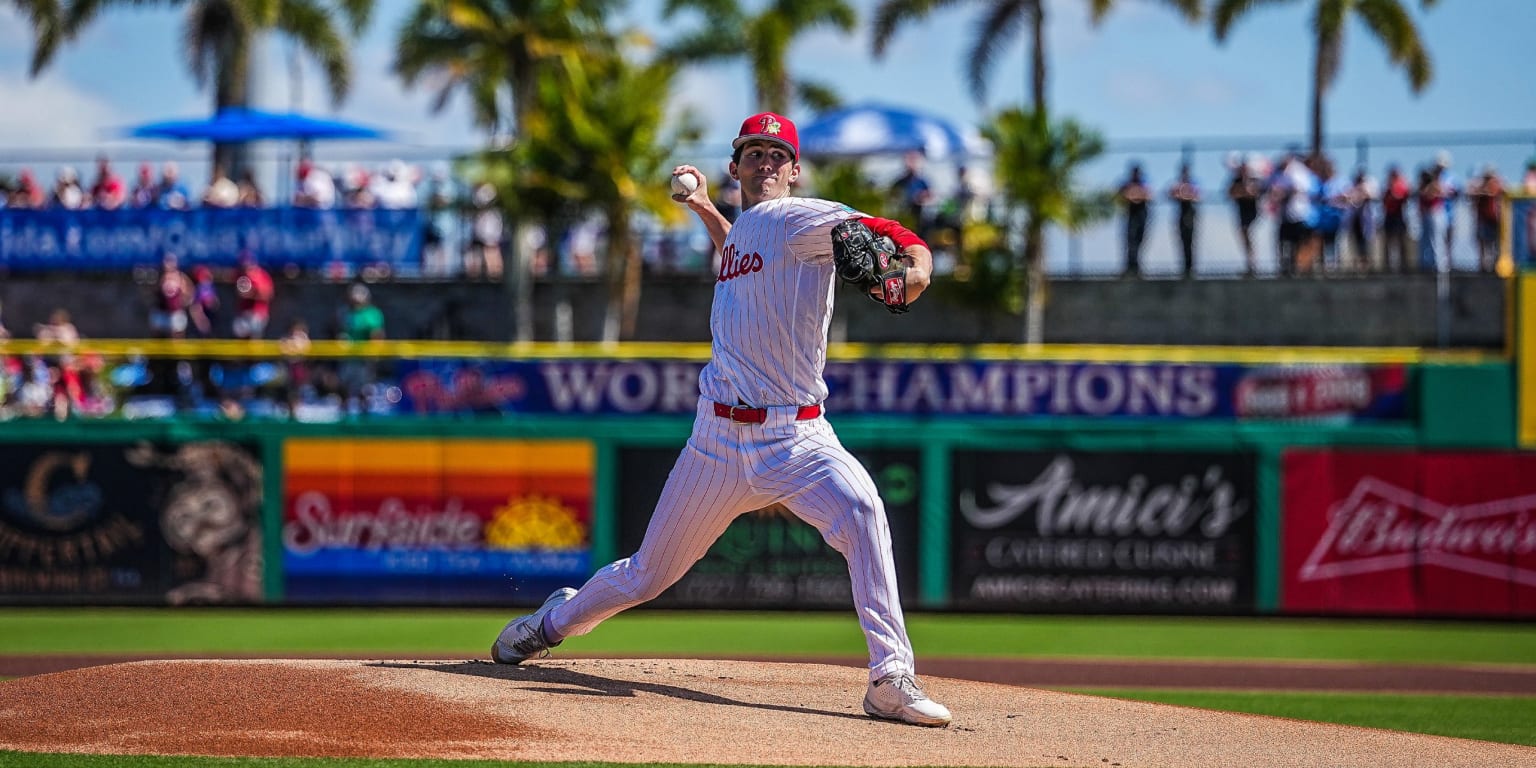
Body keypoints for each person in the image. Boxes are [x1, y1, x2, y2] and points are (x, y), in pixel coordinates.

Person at [488, 111, 951, 728]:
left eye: (776, 156)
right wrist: (707, 209)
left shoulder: (797, 217)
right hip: (717, 443)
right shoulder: (743, 236)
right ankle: (548, 623)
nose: (765, 163)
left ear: (794, 172)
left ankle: (890, 678)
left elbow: (885, 229)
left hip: (798, 437)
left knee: (865, 512)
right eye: (753, 154)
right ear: (735, 167)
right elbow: (740, 246)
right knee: (647, 575)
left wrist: (917, 267)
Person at [1225, 154, 1262, 277]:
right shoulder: (1236, 181)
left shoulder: (1254, 179)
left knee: (1247, 233)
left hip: (1251, 212)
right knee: (1244, 236)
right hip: (1241, 212)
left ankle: (1252, 265)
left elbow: (1255, 193)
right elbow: (1230, 194)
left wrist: (1243, 193)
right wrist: (1243, 192)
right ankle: (1250, 264)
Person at [1466, 165, 1505, 273]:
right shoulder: (1479, 185)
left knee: (1495, 245)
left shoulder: (1497, 184)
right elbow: (1471, 194)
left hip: (1494, 220)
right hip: (1482, 220)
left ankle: (1495, 266)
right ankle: (1483, 267)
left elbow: (1499, 192)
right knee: (1483, 244)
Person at [1116, 163, 1152, 277]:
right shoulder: (1126, 184)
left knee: (1139, 240)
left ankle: (1136, 266)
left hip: (1142, 215)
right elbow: (1122, 195)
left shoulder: (1144, 183)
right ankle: (1131, 267)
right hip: (1131, 215)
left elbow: (1148, 195)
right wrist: (1134, 196)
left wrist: (1135, 195)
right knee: (1131, 240)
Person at [1166, 162, 1200, 277]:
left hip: (1190, 213)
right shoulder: (1177, 183)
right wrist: (1184, 195)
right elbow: (1171, 193)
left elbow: (1198, 195)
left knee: (1191, 241)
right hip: (1181, 213)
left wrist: (1184, 195)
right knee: (1181, 240)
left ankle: (1190, 267)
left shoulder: (1194, 182)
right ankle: (1184, 267)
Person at [1380, 164, 1412, 273]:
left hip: (1399, 216)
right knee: (1388, 242)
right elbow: (1385, 200)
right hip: (1389, 216)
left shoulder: (1402, 184)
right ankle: (1387, 267)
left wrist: (1394, 195)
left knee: (1401, 241)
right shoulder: (1387, 185)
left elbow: (1402, 197)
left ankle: (1404, 266)